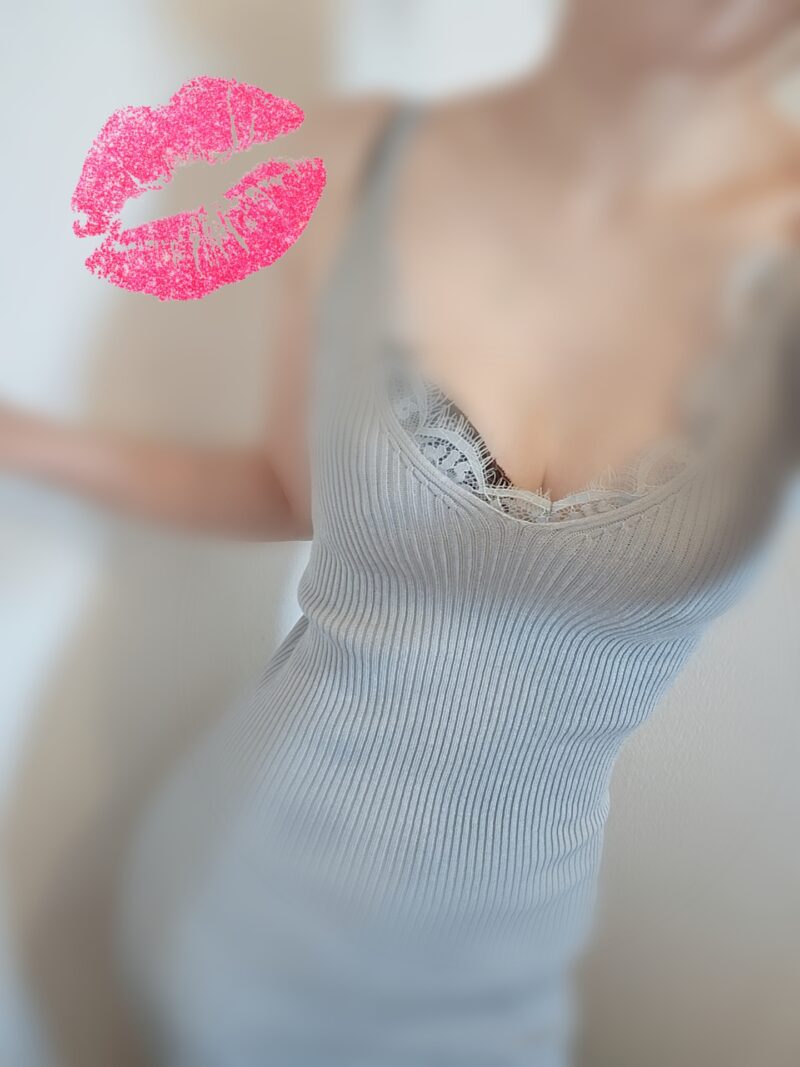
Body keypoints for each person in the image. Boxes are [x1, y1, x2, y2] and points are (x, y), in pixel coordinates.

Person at [2, 2, 799, 1063]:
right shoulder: (358, 162)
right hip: (242, 888)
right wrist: (35, 444)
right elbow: (290, 489)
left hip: (502, 949)